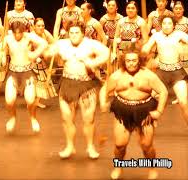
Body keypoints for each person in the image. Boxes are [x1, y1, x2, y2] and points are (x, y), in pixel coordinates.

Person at [45, 22, 109, 159]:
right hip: (67, 83)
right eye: (71, 33)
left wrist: (94, 63)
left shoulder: (90, 44)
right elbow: (47, 52)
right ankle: (69, 146)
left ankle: (90, 147)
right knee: (67, 118)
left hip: (86, 83)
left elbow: (106, 52)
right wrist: (49, 53)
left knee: (88, 118)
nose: (74, 35)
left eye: (77, 33)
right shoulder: (62, 44)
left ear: (83, 33)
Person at [100, 50, 168, 180]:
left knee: (146, 145)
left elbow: (163, 91)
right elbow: (104, 89)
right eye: (128, 61)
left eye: (134, 60)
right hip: (123, 110)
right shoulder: (116, 76)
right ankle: (118, 166)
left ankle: (152, 167)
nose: (131, 63)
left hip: (144, 110)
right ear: (124, 62)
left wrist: (159, 111)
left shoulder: (148, 76)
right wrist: (103, 102)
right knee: (120, 144)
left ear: (139, 61)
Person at [0, 21, 47, 133]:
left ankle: (33, 118)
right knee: (9, 101)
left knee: (30, 101)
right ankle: (12, 117)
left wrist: (35, 54)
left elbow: (44, 43)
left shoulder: (29, 37)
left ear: (24, 31)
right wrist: (1, 56)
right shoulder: (7, 38)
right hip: (13, 72)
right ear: (12, 32)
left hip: (27, 72)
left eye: (20, 33)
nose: (17, 35)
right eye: (15, 33)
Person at [142, 15, 188, 125]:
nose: (166, 26)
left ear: (174, 25)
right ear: (161, 25)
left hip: (177, 73)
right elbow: (146, 48)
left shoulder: (179, 34)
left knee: (183, 102)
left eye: (169, 23)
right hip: (161, 72)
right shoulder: (156, 36)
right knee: (148, 98)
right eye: (164, 23)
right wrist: (143, 52)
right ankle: (148, 123)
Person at [112, 1, 148, 71]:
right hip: (122, 52)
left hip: (136, 52)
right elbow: (116, 37)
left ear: (137, 10)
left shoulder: (141, 21)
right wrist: (114, 52)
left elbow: (146, 40)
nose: (130, 10)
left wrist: (139, 46)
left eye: (133, 8)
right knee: (123, 73)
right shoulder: (121, 21)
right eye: (128, 8)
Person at [32, 18, 57, 108]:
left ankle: (36, 101)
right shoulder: (31, 36)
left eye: (43, 25)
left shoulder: (45, 33)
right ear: (34, 26)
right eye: (38, 25)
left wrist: (48, 47)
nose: (41, 27)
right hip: (32, 61)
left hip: (42, 60)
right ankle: (32, 100)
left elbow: (54, 43)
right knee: (34, 82)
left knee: (42, 81)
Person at [173, 0, 188, 70]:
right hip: (172, 49)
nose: (178, 10)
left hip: (185, 50)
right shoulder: (169, 21)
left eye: (180, 8)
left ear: (183, 10)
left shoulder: (187, 21)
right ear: (173, 10)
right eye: (176, 8)